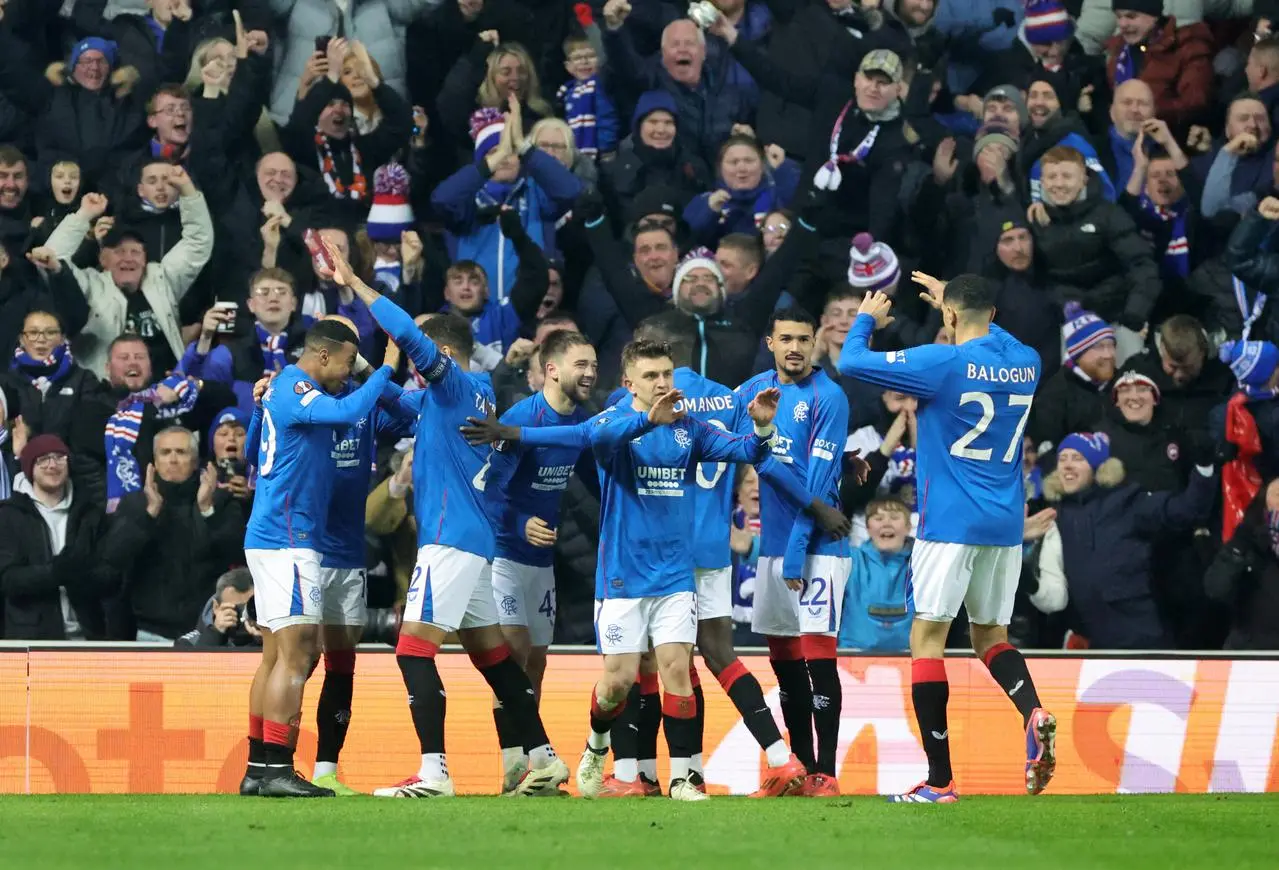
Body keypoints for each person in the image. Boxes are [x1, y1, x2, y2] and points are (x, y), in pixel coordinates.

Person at [321, 239, 571, 799]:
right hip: (474, 541)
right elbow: (395, 403)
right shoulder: (466, 397)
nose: (411, 361)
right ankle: (545, 758)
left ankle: (434, 772)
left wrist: (355, 285)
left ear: (438, 352)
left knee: (413, 651)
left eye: (418, 354)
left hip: (448, 540)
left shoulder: (453, 383)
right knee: (495, 657)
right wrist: (367, 365)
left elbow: (407, 334)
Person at [838, 272, 1056, 803]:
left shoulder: (942, 363)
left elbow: (850, 361)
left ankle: (939, 781)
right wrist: (955, 308)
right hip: (1004, 524)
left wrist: (866, 317)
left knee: (927, 640)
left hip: (950, 523)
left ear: (950, 317)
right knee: (992, 637)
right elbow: (995, 334)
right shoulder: (1026, 361)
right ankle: (1034, 711)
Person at [564, 338, 783, 801]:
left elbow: (748, 452)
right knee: (618, 683)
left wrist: (762, 430)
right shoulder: (612, 422)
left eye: (666, 374)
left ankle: (685, 776)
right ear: (629, 384)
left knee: (675, 671)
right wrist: (647, 421)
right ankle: (595, 743)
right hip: (622, 577)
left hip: (675, 573)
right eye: (651, 376)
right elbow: (590, 440)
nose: (663, 383)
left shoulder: (690, 429)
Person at [244, 314, 415, 796]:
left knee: (276, 656)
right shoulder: (298, 390)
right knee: (298, 656)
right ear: (323, 355)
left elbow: (255, 452)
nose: (348, 371)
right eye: (345, 362)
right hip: (289, 537)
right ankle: (277, 769)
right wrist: (382, 368)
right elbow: (342, 414)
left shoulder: (286, 391)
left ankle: (258, 768)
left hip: (278, 536)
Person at [735, 307, 851, 796]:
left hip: (818, 548)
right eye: (786, 338)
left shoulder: (830, 398)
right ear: (771, 342)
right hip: (771, 547)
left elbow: (818, 488)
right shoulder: (752, 393)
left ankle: (824, 771)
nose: (796, 348)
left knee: (819, 657)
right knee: (783, 661)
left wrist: (797, 556)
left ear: (816, 343)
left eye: (804, 339)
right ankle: (797, 767)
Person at [486, 329, 599, 793]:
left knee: (535, 663)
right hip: (505, 553)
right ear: (551, 370)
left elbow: (596, 482)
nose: (590, 373)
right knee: (512, 656)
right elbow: (488, 487)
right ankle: (522, 760)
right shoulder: (521, 418)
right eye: (581, 365)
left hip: (541, 560)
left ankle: (520, 765)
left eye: (593, 365)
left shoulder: (583, 424)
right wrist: (518, 524)